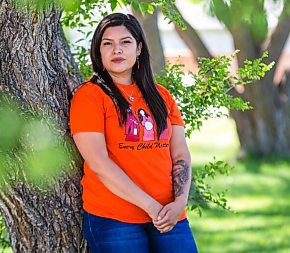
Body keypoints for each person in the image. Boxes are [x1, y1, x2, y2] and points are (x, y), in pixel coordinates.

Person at [69, 13, 198, 253]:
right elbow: (99, 163)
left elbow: (180, 154)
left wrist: (178, 203)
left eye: (125, 42)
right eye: (107, 43)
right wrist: (151, 207)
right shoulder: (90, 96)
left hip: (169, 215)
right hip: (115, 218)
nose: (116, 50)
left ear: (139, 48)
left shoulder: (162, 96)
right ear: (98, 52)